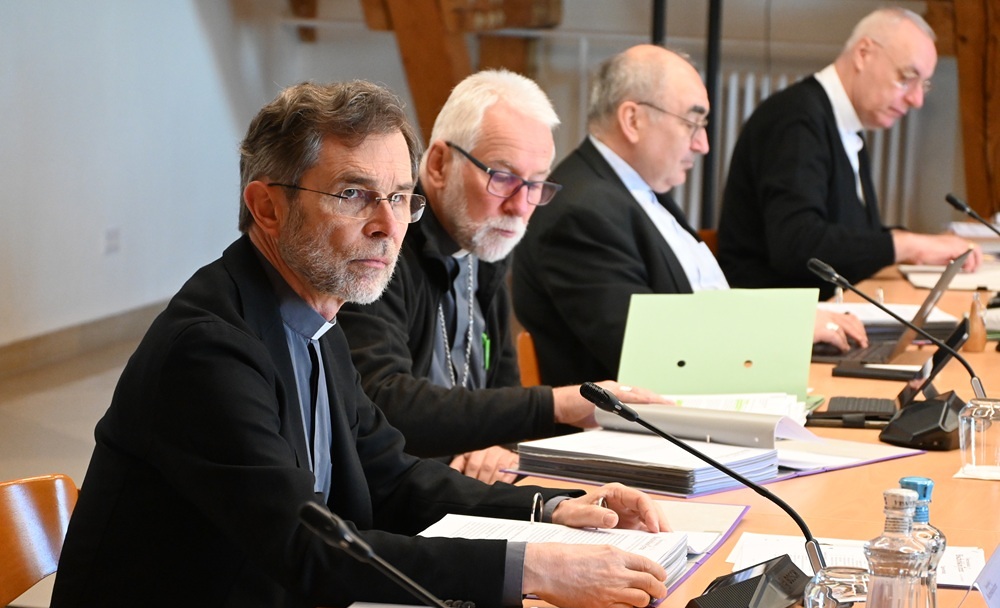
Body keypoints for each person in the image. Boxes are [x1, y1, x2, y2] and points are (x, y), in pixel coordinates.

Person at [33, 81, 671, 608]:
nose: (388, 227)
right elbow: (309, 547)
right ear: (267, 207)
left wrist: (550, 508)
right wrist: (534, 570)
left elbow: (392, 478)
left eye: (398, 197)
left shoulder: (314, 316)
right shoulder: (209, 349)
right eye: (353, 195)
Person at [338, 69, 663, 485]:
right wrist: (556, 405)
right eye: (503, 177)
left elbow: (500, 392)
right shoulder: (383, 244)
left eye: (536, 184)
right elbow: (381, 401)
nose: (520, 207)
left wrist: (497, 445)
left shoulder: (483, 242)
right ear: (438, 164)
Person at [512, 45, 867, 388]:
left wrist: (791, 319)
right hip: (643, 421)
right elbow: (648, 353)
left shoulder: (632, 191)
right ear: (633, 120)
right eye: (692, 123)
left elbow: (702, 305)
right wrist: (784, 332)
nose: (703, 145)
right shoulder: (582, 213)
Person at [717, 6, 981, 300]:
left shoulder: (842, 121)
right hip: (777, 314)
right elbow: (797, 245)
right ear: (863, 53)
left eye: (924, 85)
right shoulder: (795, 120)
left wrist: (922, 244)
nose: (916, 99)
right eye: (907, 77)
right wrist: (908, 245)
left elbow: (850, 233)